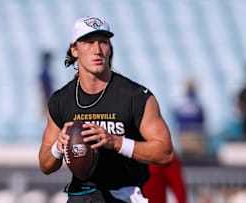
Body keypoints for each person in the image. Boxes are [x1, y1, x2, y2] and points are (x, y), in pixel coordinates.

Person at [39, 16, 174, 203]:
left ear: (109, 48)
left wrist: (115, 142)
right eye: (88, 42)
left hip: (123, 196)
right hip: (81, 195)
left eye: (103, 42)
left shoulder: (135, 96)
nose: (97, 50)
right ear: (74, 50)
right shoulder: (62, 100)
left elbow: (165, 153)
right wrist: (58, 147)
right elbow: (45, 165)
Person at [173, 79, 206, 162]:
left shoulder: (181, 102)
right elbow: (202, 118)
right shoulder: (196, 102)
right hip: (190, 134)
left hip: (190, 134)